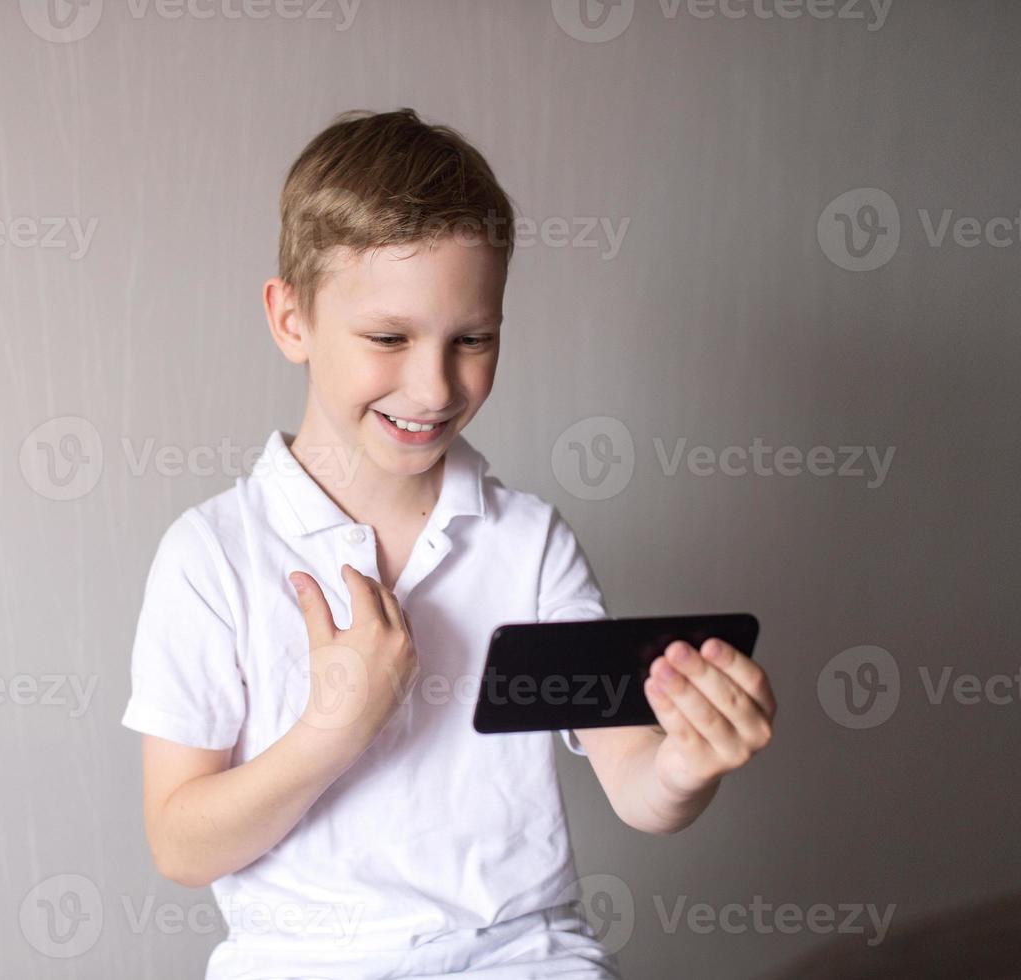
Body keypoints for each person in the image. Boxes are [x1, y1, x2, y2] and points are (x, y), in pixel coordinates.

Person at [121, 107, 777, 979]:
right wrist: (332, 729)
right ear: (291, 321)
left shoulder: (530, 544)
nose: (433, 386)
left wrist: (687, 766)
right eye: (388, 338)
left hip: (523, 956)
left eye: (472, 339)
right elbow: (180, 844)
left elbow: (636, 784)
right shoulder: (210, 554)